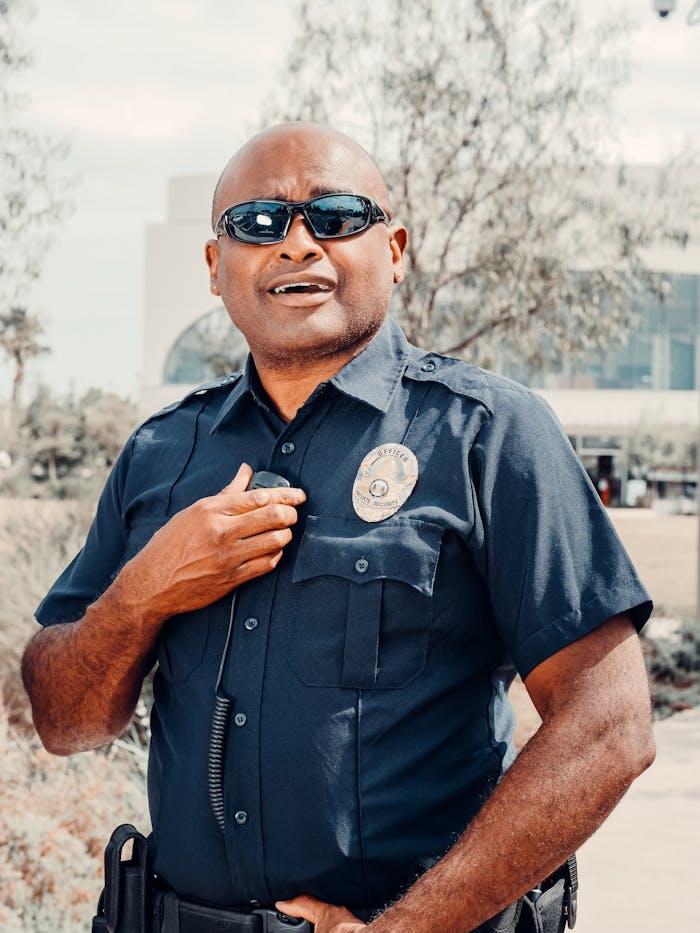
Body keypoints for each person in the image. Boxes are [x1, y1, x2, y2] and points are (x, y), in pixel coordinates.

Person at [22, 123, 655, 933]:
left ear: (393, 250)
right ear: (217, 268)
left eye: (335, 216)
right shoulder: (160, 452)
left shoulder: (489, 435)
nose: (295, 244)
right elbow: (63, 720)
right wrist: (144, 591)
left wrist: (405, 929)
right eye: (258, 222)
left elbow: (610, 726)